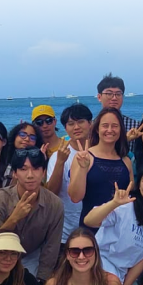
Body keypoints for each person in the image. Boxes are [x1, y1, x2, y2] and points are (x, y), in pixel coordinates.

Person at [82, 162, 143, 285]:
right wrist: (114, 203)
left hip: (122, 275)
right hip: (99, 263)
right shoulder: (125, 206)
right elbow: (89, 221)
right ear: (139, 184)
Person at [0, 149, 64, 279]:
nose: (30, 175)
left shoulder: (54, 204)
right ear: (14, 173)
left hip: (31, 257)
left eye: (36, 169)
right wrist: (14, 218)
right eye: (23, 169)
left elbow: (51, 249)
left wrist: (42, 281)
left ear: (43, 172)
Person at [68, 109, 133, 223]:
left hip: (119, 228)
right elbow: (75, 197)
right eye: (105, 126)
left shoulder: (126, 161)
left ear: (121, 129)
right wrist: (83, 168)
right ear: (97, 129)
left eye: (114, 126)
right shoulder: (85, 157)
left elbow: (131, 195)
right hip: (91, 225)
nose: (109, 130)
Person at [46, 103, 93, 246]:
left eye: (80, 122)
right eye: (71, 124)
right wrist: (60, 161)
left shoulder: (100, 152)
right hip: (66, 230)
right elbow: (51, 193)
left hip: (98, 227)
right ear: (65, 128)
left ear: (90, 123)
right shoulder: (58, 155)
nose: (76, 127)